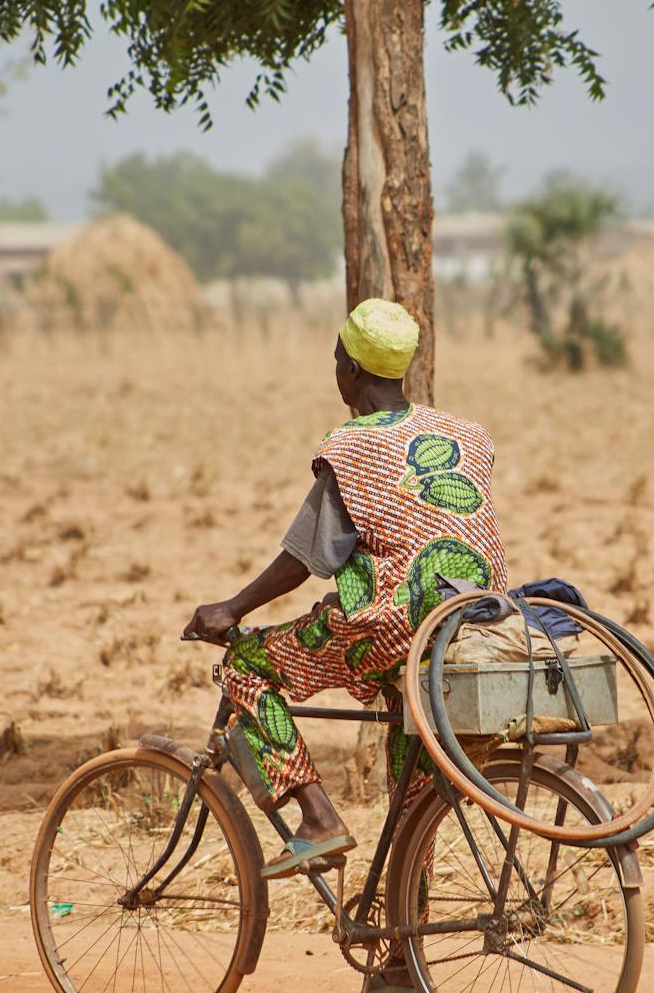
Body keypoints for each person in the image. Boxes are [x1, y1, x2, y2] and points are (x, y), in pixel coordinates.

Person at [183, 298, 507, 887]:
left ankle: (318, 817)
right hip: (472, 617)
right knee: (412, 805)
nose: (335, 370)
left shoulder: (352, 445)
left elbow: (310, 555)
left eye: (338, 358)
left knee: (246, 665)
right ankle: (401, 968)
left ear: (352, 371)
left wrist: (229, 609)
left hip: (398, 623)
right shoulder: (464, 433)